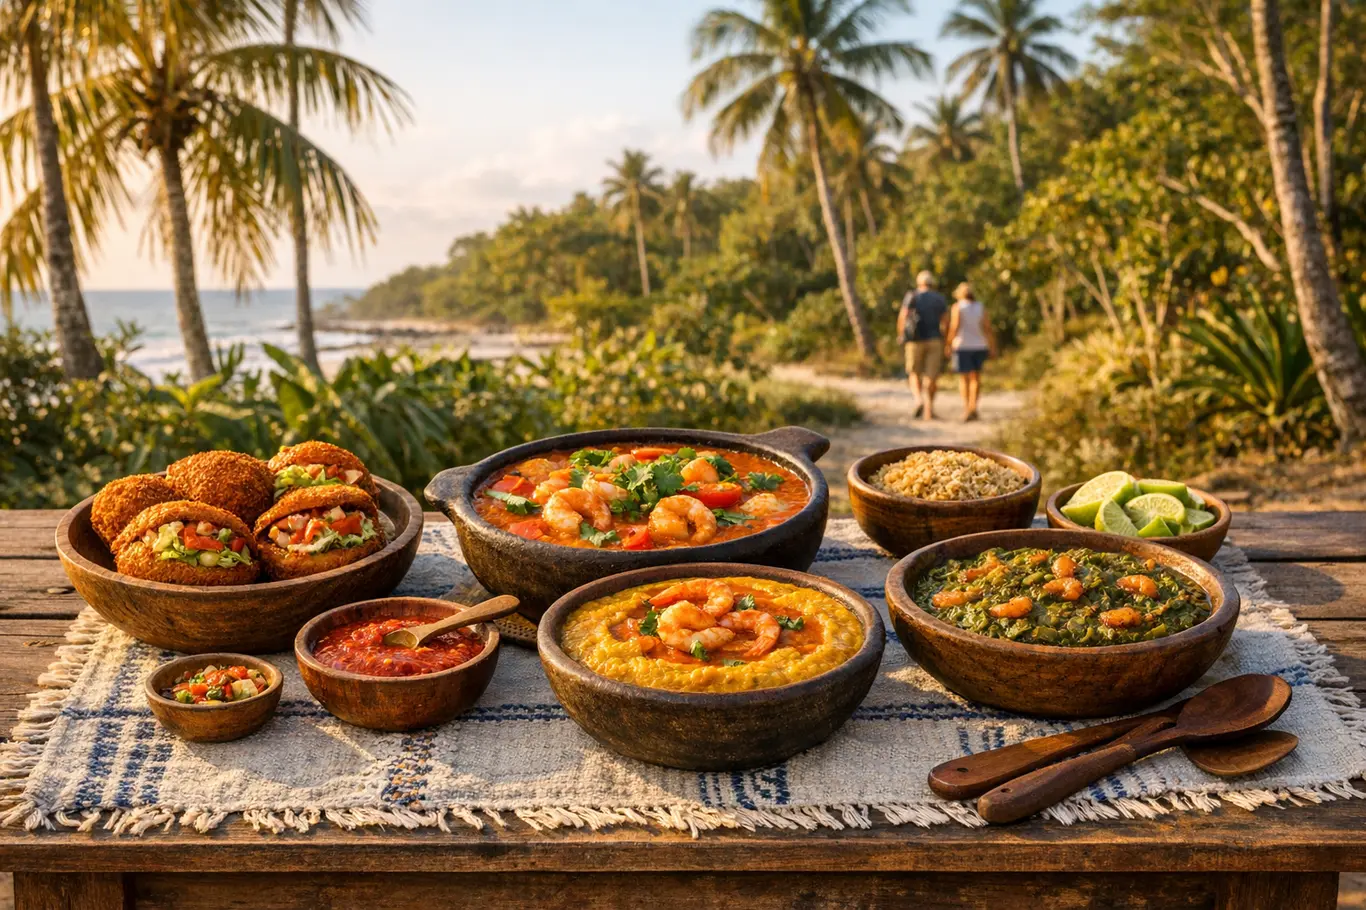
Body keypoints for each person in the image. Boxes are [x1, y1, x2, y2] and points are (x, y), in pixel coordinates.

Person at [896, 270, 949, 420]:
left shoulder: (911, 296)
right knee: (931, 376)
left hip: (914, 340)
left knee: (914, 373)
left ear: (919, 282)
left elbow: (903, 317)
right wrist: (946, 340)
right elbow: (945, 321)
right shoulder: (939, 298)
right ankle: (929, 409)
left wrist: (901, 335)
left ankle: (918, 399)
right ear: (932, 283)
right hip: (934, 339)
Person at [945, 282, 996, 422]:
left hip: (962, 346)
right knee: (976, 378)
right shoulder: (980, 307)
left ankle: (967, 407)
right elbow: (987, 328)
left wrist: (948, 344)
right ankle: (974, 407)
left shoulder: (958, 307)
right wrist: (992, 345)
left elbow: (954, 327)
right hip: (979, 345)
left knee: (964, 378)